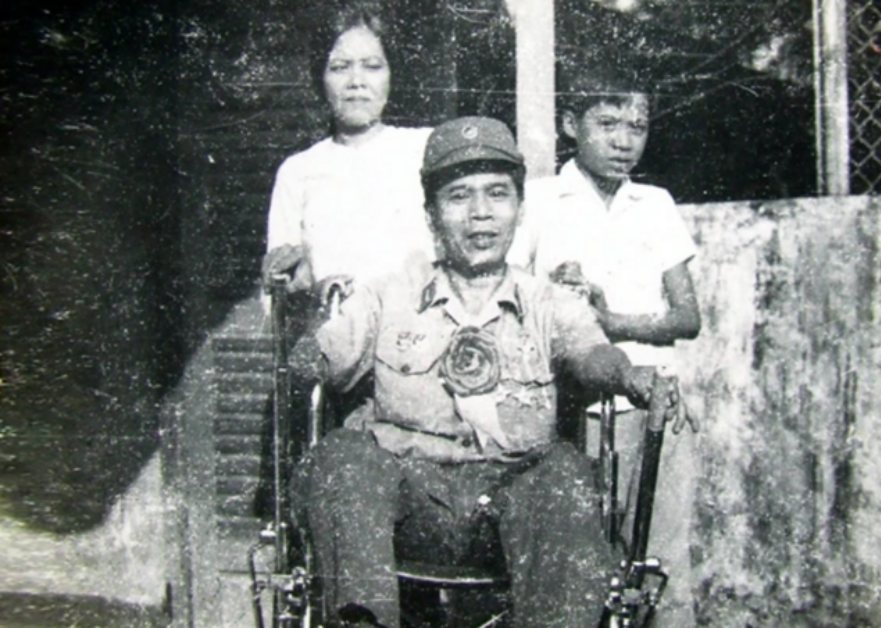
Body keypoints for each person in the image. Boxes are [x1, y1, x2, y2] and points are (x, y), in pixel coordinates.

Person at [291, 117, 671, 627]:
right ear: (431, 214)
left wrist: (627, 375)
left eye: (497, 194)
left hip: (512, 505)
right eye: (458, 196)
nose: (480, 214)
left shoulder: (548, 301)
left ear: (520, 208)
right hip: (408, 507)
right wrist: (311, 317)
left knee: (565, 471)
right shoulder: (388, 294)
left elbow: (590, 352)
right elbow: (314, 362)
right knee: (340, 455)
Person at [508, 58, 701, 624]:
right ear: (571, 124)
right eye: (608, 124)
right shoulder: (540, 200)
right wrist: (559, 298)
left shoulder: (655, 204)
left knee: (660, 563)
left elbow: (687, 316)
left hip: (655, 406)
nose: (624, 141)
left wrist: (611, 319)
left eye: (637, 127)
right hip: (571, 410)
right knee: (580, 563)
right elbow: (512, 294)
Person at [261, 0, 434, 301]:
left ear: (392, 74)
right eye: (340, 67)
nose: (356, 82)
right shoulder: (297, 172)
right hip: (334, 324)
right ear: (321, 78)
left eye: (372, 66)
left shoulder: (425, 148)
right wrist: (296, 285)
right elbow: (280, 289)